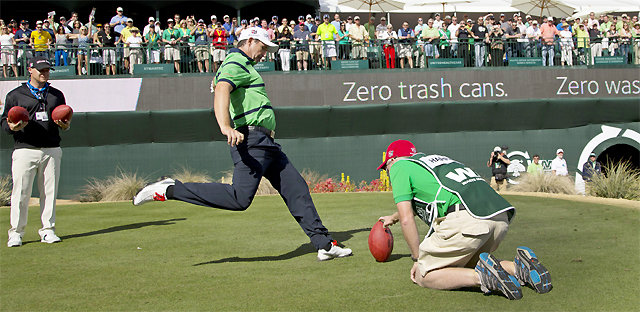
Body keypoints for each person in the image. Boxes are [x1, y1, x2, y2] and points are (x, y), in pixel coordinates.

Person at [132, 27, 353, 261]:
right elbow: (221, 89)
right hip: (251, 141)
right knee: (239, 198)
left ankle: (324, 243)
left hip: (265, 143)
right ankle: (170, 189)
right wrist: (225, 127)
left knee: (296, 188)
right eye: (262, 47)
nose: (264, 53)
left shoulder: (243, 65)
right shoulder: (236, 61)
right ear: (249, 41)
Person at [377, 140, 551, 300]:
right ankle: (518, 268)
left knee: (424, 275)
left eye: (386, 167)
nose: (387, 171)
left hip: (469, 220)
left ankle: (483, 277)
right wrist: (393, 218)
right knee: (464, 263)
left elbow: (407, 218)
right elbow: (431, 200)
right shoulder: (434, 162)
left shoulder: (400, 165)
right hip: (499, 217)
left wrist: (418, 259)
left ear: (394, 158)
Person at [1, 57, 71, 247]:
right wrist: (13, 127)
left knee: (49, 193)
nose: (44, 73)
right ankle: (16, 233)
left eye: (47, 70)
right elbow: (4, 123)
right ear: (30, 70)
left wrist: (65, 125)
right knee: (21, 193)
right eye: (40, 69)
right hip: (25, 149)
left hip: (52, 149)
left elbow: (63, 121)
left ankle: (48, 230)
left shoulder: (56, 95)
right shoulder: (16, 95)